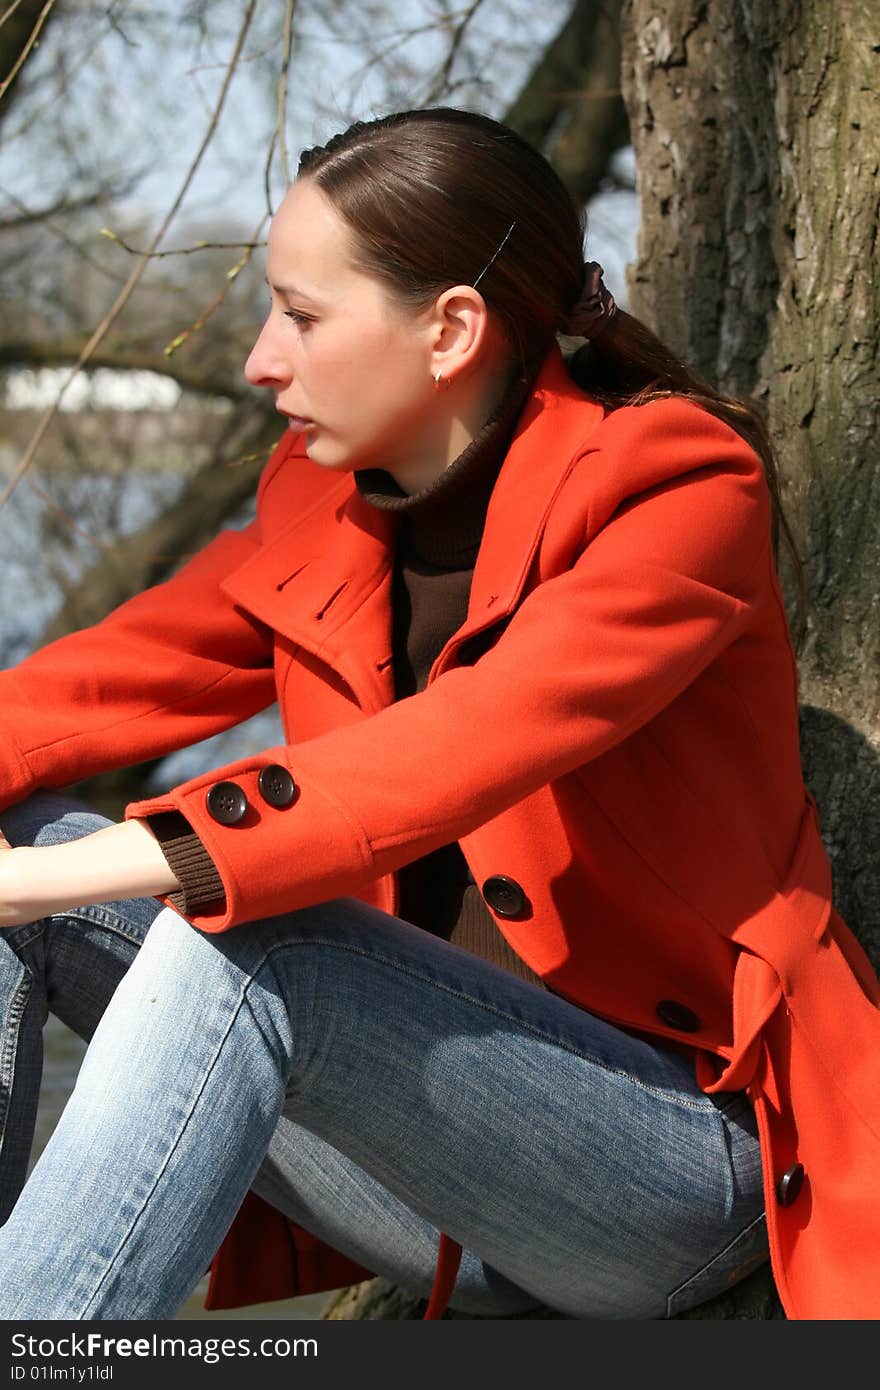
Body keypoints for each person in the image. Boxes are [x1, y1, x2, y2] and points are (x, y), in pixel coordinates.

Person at [0, 107, 877, 1323]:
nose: (261, 359)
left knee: (263, 939)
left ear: (451, 328)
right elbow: (72, 693)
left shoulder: (675, 489)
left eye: (301, 317)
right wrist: (36, 878)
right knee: (26, 856)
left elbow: (458, 745)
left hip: (672, 1166)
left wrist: (87, 871)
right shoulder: (323, 509)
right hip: (422, 1175)